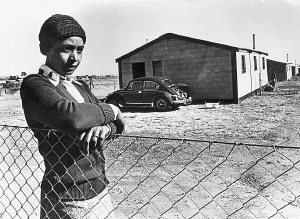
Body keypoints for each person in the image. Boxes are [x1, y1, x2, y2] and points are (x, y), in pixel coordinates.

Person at [20, 14, 125, 219]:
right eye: (66, 49)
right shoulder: (36, 85)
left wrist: (105, 128)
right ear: (45, 49)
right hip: (66, 196)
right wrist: (113, 109)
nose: (74, 58)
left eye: (80, 50)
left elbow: (119, 127)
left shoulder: (80, 86)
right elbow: (72, 118)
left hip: (99, 187)